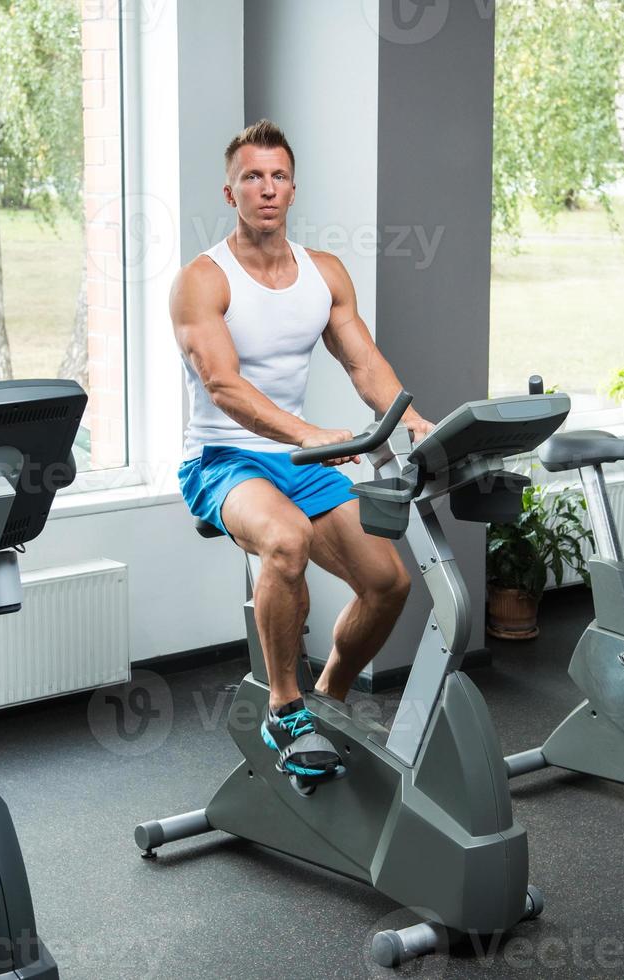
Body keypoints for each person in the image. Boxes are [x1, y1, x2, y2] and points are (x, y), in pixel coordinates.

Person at [173, 119, 435, 780]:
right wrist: (308, 434)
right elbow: (223, 385)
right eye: (252, 178)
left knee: (388, 582)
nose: (267, 189)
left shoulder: (324, 273)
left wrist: (413, 421)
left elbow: (364, 363)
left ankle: (329, 700)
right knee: (285, 543)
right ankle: (284, 708)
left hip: (299, 457)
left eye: (279, 176)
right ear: (229, 192)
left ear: (293, 189)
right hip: (222, 459)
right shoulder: (204, 280)